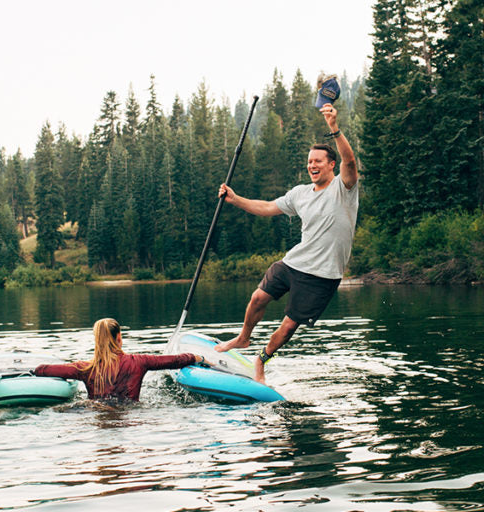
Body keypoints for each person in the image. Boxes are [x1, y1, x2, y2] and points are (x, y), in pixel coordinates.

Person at [214, 103, 359, 384]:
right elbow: (268, 207)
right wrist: (235, 199)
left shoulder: (344, 188)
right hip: (295, 262)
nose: (312, 165)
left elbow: (350, 163)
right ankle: (244, 339)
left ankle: (261, 359)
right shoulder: (300, 193)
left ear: (331, 165)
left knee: (289, 325)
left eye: (318, 161)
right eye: (309, 162)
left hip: (323, 274)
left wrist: (334, 128)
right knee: (257, 298)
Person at [33, 318, 202, 401]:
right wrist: (197, 357)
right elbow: (174, 360)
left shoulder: (85, 368)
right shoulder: (139, 361)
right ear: (119, 337)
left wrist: (35, 370)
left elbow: (43, 369)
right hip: (131, 417)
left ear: (97, 340)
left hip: (96, 414)